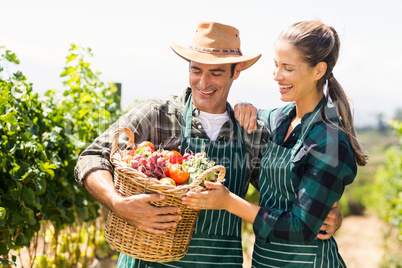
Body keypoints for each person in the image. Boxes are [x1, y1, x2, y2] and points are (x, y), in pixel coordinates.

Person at [75, 21, 341, 267]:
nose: (203, 83)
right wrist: (117, 203)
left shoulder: (251, 131)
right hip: (148, 261)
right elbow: (92, 156)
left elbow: (285, 190)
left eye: (215, 72)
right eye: (196, 70)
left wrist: (330, 213)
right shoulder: (158, 115)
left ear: (235, 72)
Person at [182, 20, 368, 267]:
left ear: (318, 70)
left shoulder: (329, 141)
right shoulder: (278, 119)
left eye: (288, 68)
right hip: (266, 261)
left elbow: (301, 228)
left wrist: (228, 202)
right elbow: (252, 120)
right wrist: (245, 108)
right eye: (276, 65)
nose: (277, 76)